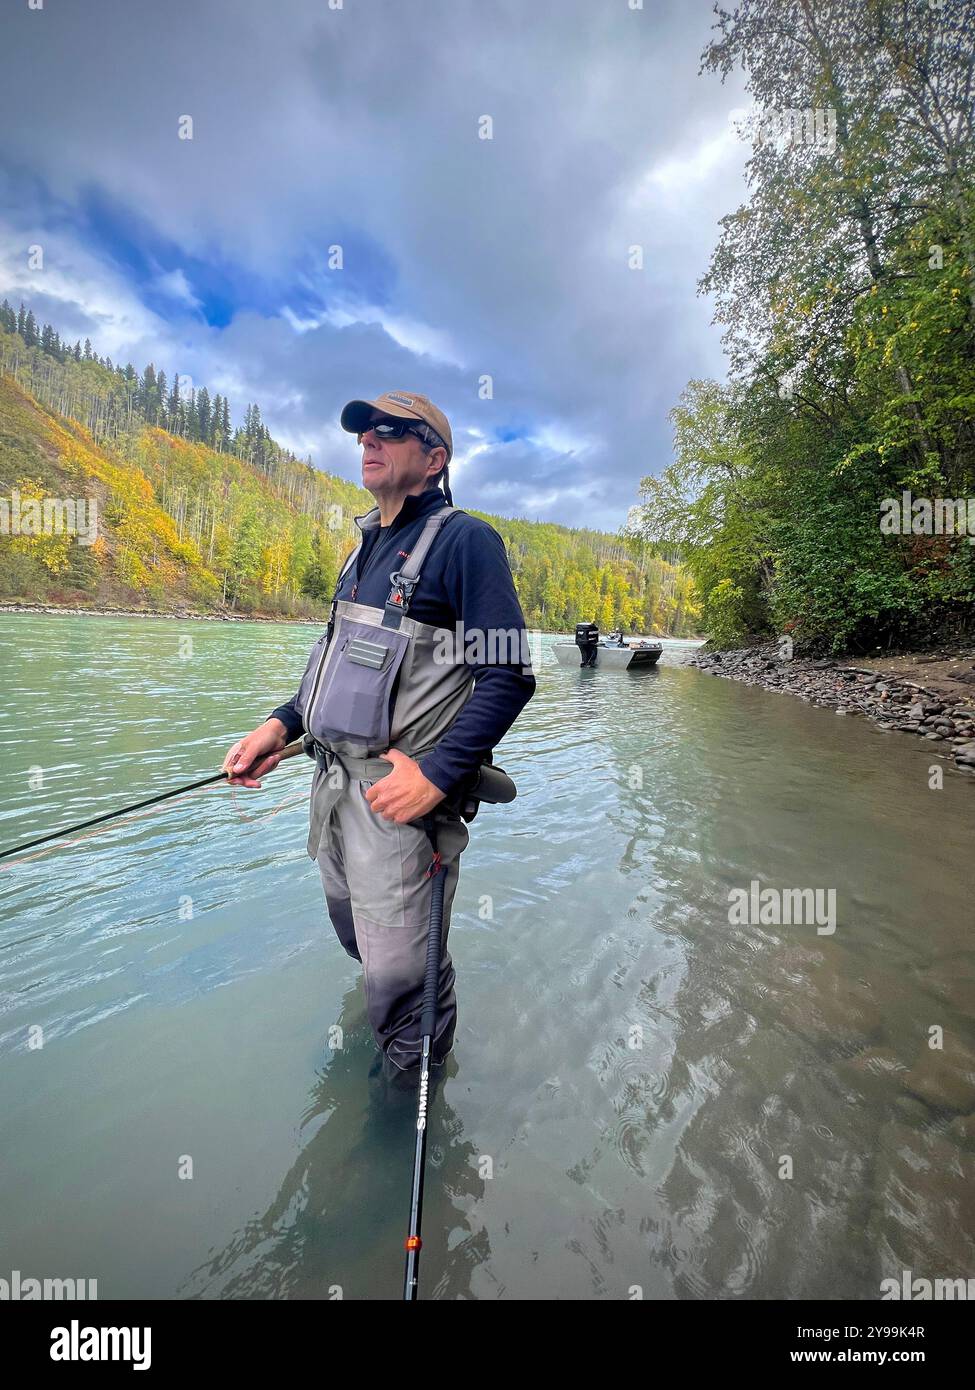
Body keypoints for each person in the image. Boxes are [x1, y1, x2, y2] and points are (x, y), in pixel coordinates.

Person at [222, 391, 536, 1081]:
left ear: (433, 458)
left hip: (402, 808)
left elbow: (508, 674)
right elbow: (332, 665)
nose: (370, 438)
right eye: (364, 430)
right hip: (332, 792)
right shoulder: (364, 546)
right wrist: (280, 725)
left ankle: (407, 1108)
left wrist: (436, 774)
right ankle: (390, 1034)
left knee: (404, 977)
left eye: (392, 431)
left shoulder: (464, 542)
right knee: (359, 940)